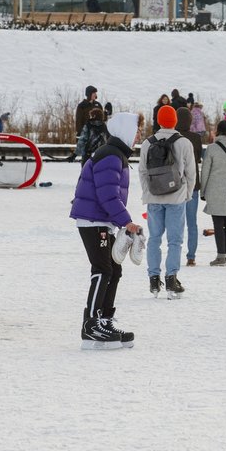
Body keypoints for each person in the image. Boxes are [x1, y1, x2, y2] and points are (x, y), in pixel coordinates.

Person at [69, 112, 142, 350]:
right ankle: (91, 326)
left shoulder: (116, 154)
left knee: (114, 269)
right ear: (126, 132)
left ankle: (104, 320)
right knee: (103, 269)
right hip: (93, 221)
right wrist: (126, 221)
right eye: (137, 130)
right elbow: (107, 194)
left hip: (101, 221)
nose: (139, 135)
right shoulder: (111, 156)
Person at [139, 105, 195, 299]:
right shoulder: (184, 142)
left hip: (154, 197)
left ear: (159, 121)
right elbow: (191, 172)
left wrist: (148, 193)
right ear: (175, 121)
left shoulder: (148, 143)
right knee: (175, 240)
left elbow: (143, 171)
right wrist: (187, 194)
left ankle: (154, 279)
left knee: (154, 238)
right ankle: (171, 279)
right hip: (176, 196)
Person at [201, 120, 226, 266]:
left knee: (218, 224)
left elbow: (205, 172)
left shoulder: (211, 148)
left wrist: (203, 191)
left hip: (215, 190)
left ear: (219, 131)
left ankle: (220, 256)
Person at [175, 106, 204, 267]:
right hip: (193, 184)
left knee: (177, 221)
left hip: (176, 185)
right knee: (192, 223)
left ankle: (175, 252)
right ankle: (191, 256)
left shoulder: (173, 137)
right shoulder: (195, 138)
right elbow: (198, 158)